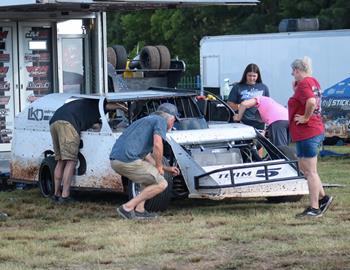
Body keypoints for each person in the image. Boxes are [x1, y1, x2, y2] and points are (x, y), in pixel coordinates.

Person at [110, 103, 180, 220]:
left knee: (148, 177)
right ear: (171, 118)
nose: (173, 125)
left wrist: (166, 168)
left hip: (117, 160)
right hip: (127, 160)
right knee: (161, 183)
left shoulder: (146, 121)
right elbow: (158, 144)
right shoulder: (160, 121)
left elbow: (148, 157)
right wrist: (159, 167)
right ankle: (127, 208)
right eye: (174, 121)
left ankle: (140, 210)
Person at [288, 56, 333, 218]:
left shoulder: (305, 83)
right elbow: (306, 100)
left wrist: (306, 118)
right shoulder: (312, 82)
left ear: (298, 70)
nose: (293, 74)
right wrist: (296, 91)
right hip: (308, 132)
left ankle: (315, 208)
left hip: (309, 131)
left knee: (311, 172)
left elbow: (312, 102)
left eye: (293, 71)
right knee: (304, 169)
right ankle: (324, 198)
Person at [49, 98, 103, 204]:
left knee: (60, 160)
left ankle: (56, 194)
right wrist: (122, 107)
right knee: (71, 161)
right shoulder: (96, 107)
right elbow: (97, 126)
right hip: (68, 124)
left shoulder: (82, 103)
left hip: (54, 122)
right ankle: (65, 196)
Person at [227, 63, 270, 130]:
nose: (252, 78)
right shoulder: (237, 87)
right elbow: (230, 105)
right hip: (242, 122)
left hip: (259, 123)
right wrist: (241, 106)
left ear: (258, 76)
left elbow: (268, 105)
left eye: (254, 76)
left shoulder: (264, 87)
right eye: (249, 75)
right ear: (245, 75)